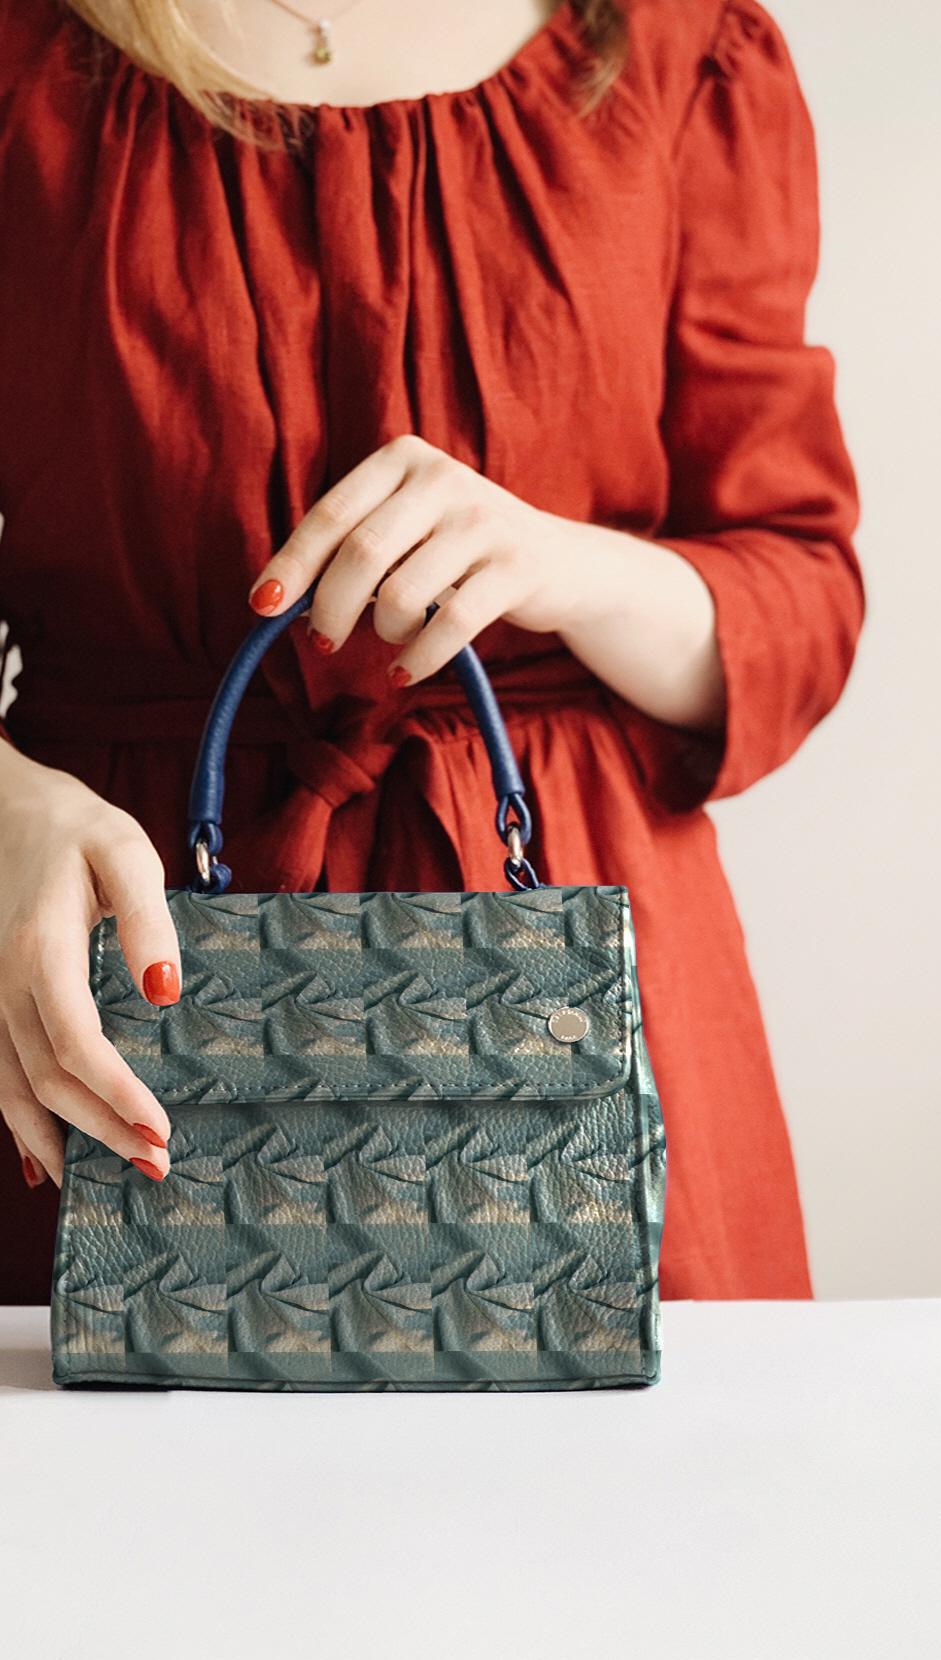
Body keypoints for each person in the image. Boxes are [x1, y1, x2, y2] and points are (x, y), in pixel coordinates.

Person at [0, 0, 864, 1303]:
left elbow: (798, 589)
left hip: (585, 1002)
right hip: (99, 974)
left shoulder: (680, 46)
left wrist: (560, 566)